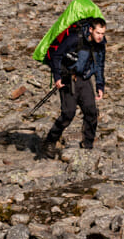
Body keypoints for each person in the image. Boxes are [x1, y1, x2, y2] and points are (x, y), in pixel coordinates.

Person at [42, 16, 107, 157]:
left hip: (84, 80)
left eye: (103, 33)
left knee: (91, 112)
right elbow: (57, 56)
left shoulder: (100, 45)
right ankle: (50, 142)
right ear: (91, 30)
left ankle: (87, 145)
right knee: (68, 114)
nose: (100, 37)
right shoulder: (74, 39)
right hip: (68, 80)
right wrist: (57, 77)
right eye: (98, 33)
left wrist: (100, 85)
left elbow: (100, 65)